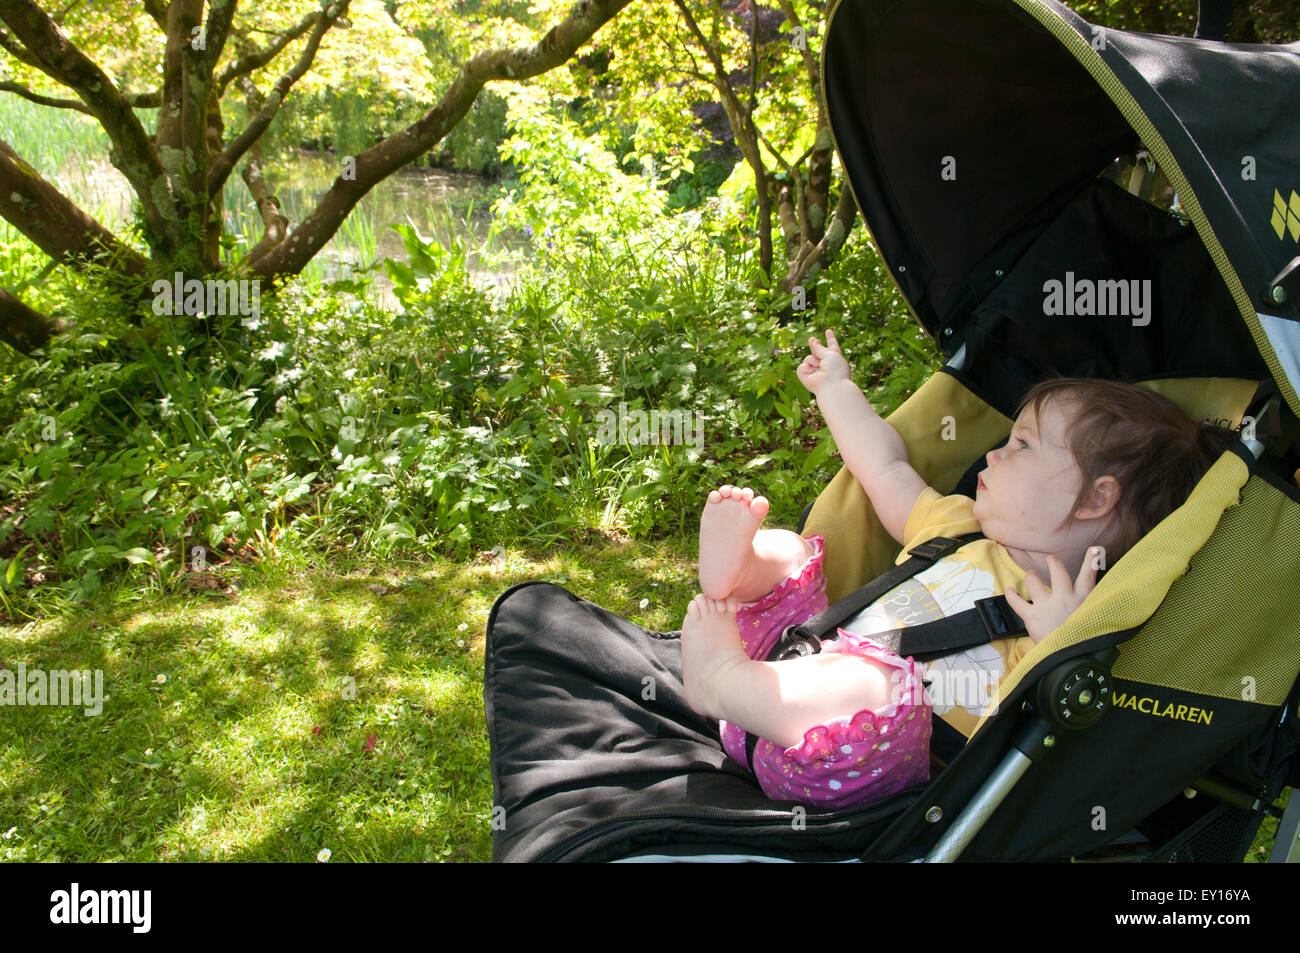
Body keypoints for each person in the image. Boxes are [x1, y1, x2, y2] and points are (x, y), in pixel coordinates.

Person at [681, 329, 1241, 810]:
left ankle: (725, 681)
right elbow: (884, 466)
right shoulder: (956, 525)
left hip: (853, 762)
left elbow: (1039, 731)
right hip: (787, 675)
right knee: (795, 551)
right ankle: (740, 572)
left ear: (1095, 499)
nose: (995, 453)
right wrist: (835, 389)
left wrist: (1059, 643)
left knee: (877, 684)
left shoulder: (1076, 613)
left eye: (1022, 445)